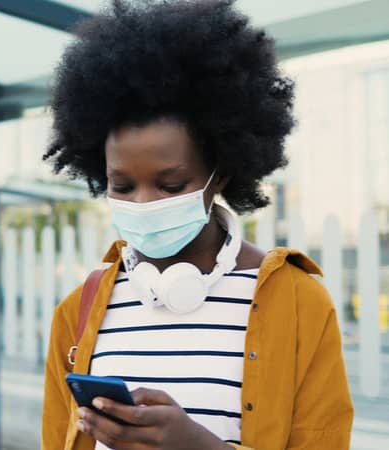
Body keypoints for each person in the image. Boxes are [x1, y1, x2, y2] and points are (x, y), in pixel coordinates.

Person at [40, 1, 353, 449]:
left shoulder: (299, 303)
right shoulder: (78, 311)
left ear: (219, 173)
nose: (144, 204)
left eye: (170, 186)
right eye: (122, 186)